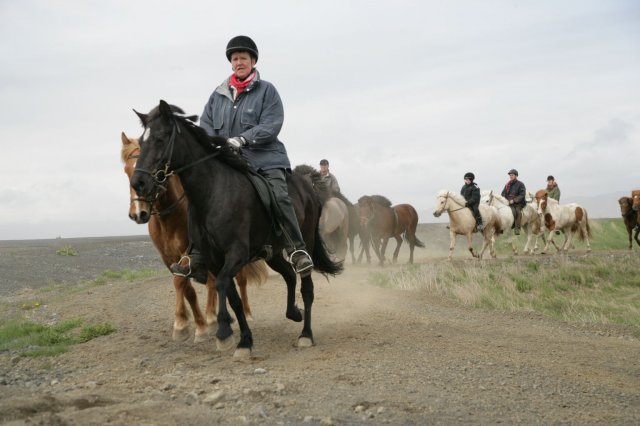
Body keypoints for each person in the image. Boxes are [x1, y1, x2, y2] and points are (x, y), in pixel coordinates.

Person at [171, 35, 313, 279]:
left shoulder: (267, 90)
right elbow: (206, 126)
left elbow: (272, 123)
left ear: (253, 61)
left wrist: (243, 139)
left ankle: (296, 249)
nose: (238, 62)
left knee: (279, 195)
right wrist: (211, 145)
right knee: (197, 196)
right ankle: (195, 254)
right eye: (235, 59)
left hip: (265, 157)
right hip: (228, 160)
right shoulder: (218, 95)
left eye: (243, 58)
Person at [501, 169, 526, 235]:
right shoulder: (507, 185)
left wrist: (514, 200)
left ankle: (517, 229)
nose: (511, 176)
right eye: (510, 175)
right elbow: (503, 193)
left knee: (517, 212)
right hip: (508, 202)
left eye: (512, 175)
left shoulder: (520, 184)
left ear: (516, 176)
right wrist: (504, 199)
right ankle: (501, 227)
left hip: (519, 203)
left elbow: (522, 195)